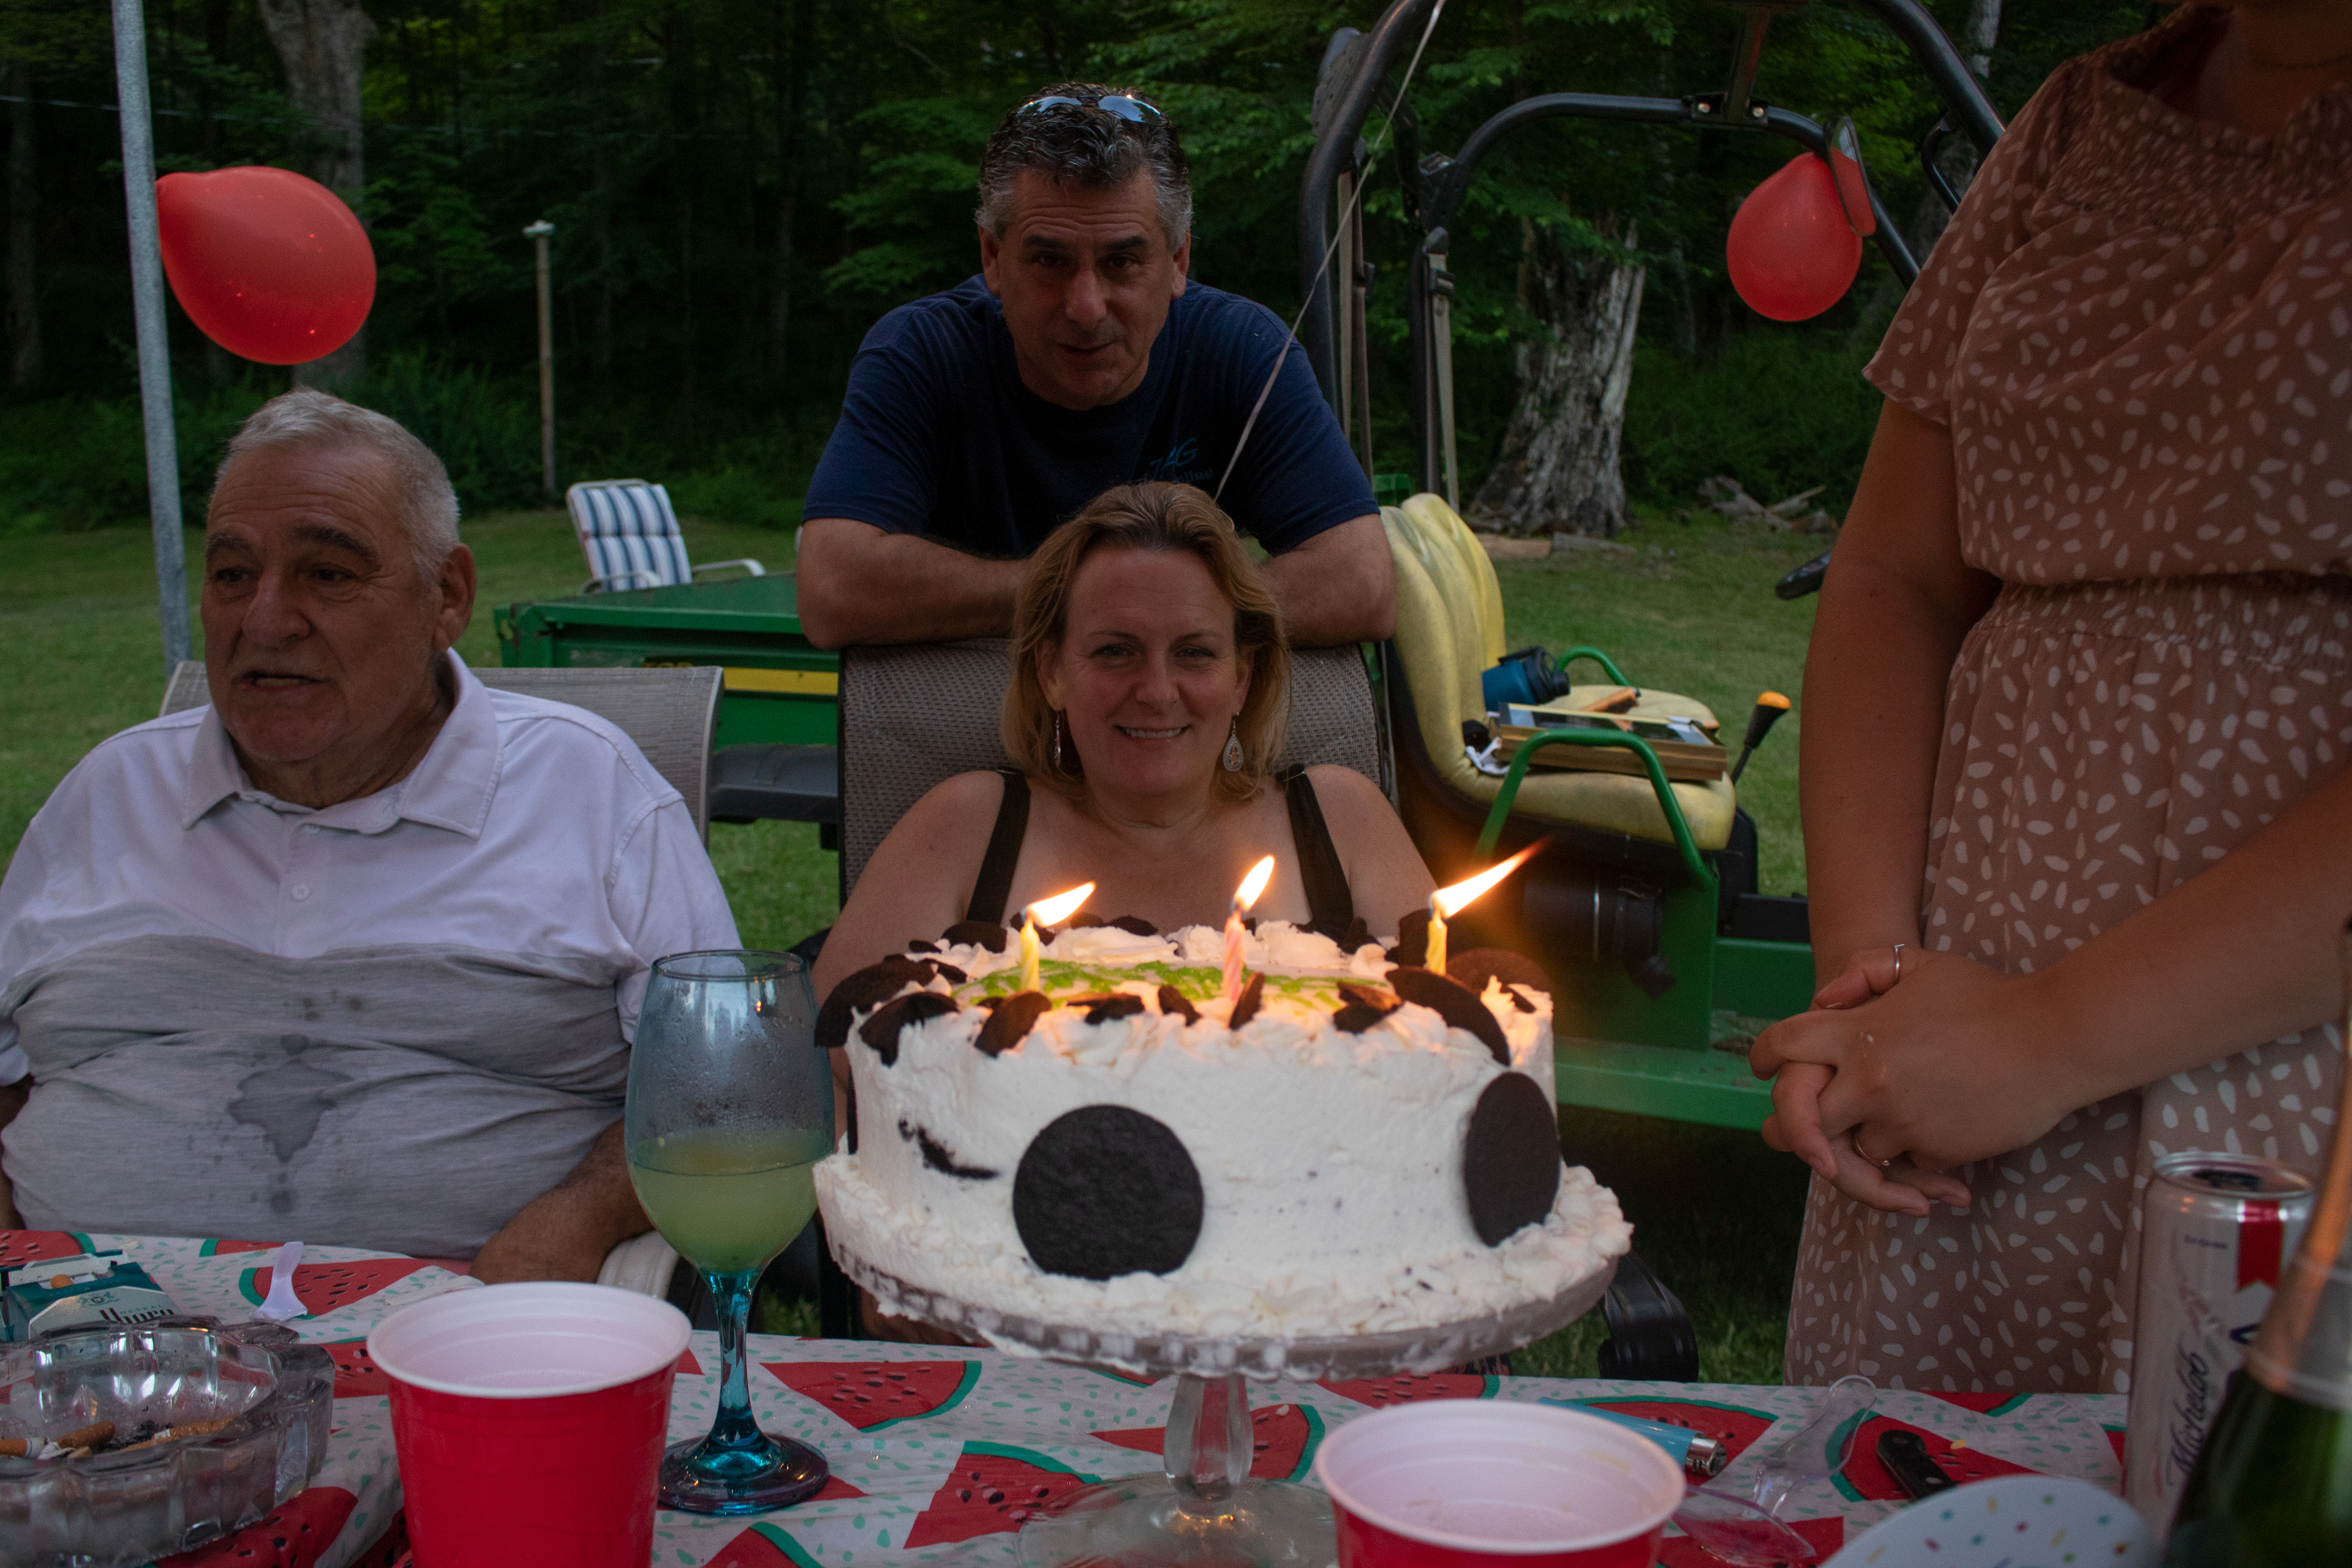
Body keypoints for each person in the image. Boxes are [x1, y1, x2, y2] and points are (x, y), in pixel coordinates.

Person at [1749, 0, 2352, 1396]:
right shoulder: (2074, 125)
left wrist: (2053, 1031)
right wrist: (1872, 999)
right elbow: (1892, 574)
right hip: (1951, 1087)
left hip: (2283, 1081)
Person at [0, 390, 738, 1280]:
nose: (265, 620)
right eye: (233, 574)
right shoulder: (109, 794)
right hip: (87, 1347)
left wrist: (577, 1219)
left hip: (465, 1343)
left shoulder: (591, 790)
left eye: (329, 574)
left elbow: (720, 1087)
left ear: (446, 596)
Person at [795, 82, 1393, 651]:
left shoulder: (1242, 348)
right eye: (1050, 260)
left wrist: (1109, 607)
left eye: (1122, 262)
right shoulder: (921, 352)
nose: (1085, 307)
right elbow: (833, 589)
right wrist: (1116, 593)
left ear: (1179, 259)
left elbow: (1362, 582)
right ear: (993, 257)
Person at [814, 478, 1431, 1011]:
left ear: (1242, 676)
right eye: (1115, 651)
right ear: (1050, 671)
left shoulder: (1341, 821)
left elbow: (1451, 1058)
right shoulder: (965, 828)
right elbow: (825, 1070)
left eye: (1194, 652)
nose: (1157, 691)